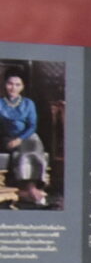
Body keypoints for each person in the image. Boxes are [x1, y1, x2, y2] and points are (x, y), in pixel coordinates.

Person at [1, 69, 49, 207]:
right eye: (10, 84)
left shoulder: (28, 103)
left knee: (32, 151)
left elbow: (32, 125)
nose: (13, 88)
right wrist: (13, 140)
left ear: (22, 87)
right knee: (21, 153)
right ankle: (33, 192)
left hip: (29, 136)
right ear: (5, 84)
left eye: (17, 84)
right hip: (8, 137)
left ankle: (29, 190)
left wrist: (20, 139)